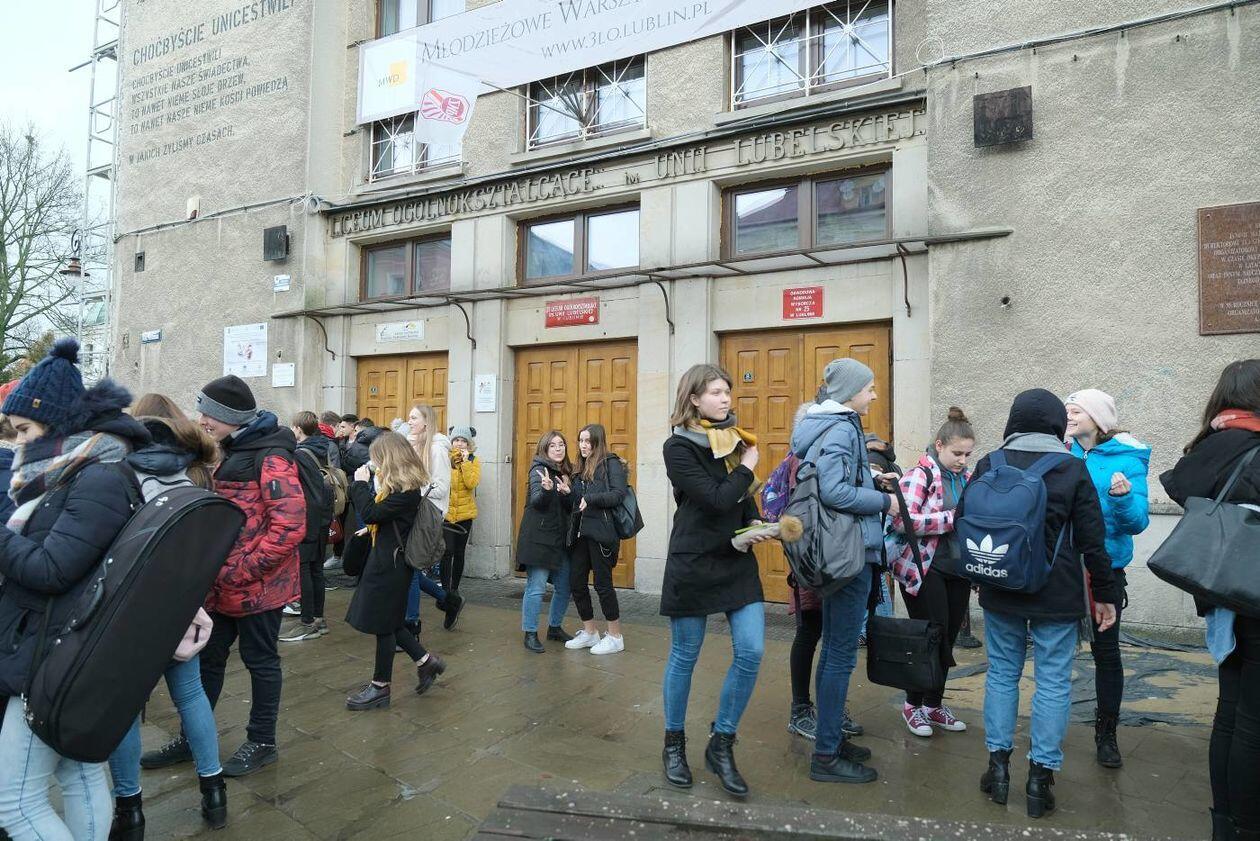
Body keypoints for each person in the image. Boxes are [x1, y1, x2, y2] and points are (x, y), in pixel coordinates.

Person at [0, 339, 151, 840]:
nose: (19, 442)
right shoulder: (72, 470)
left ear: (57, 423)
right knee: (78, 773)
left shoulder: (97, 475)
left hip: (53, 654)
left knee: (15, 804)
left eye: (25, 429)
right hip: (59, 645)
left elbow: (52, 569)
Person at [143, 375, 307, 778]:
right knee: (208, 661)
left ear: (233, 417)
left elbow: (290, 525)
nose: (202, 420)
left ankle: (262, 741)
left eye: (210, 414)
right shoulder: (229, 450)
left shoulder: (271, 455)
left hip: (258, 588)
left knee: (261, 662)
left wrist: (240, 569)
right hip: (222, 587)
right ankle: (192, 738)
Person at [966, 388, 1117, 819]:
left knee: (1001, 675)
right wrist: (1105, 595)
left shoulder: (989, 463)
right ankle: (1040, 779)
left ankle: (998, 770)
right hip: (1058, 593)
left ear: (1013, 421)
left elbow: (967, 521)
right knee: (1052, 682)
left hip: (1001, 588)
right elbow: (1092, 540)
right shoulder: (1071, 468)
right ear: (1055, 423)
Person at [108, 402, 227, 838]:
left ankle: (130, 809)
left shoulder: (123, 473)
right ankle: (214, 792)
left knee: (123, 707)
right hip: (182, 601)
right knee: (192, 696)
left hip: (132, 606)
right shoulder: (195, 472)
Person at [660, 364, 771, 798]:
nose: (726, 399)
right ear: (694, 399)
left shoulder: (733, 439)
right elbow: (715, 498)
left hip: (735, 559)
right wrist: (748, 465)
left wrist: (755, 522)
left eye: (727, 392)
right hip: (693, 560)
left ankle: (721, 743)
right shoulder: (678, 447)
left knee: (752, 651)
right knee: (685, 655)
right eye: (716, 392)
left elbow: (740, 502)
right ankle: (673, 743)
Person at [1160, 359, 1260, 841]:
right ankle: (1246, 827)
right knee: (1252, 725)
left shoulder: (1211, 444)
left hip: (1224, 597)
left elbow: (1180, 485)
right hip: (1255, 600)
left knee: (1229, 713)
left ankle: (1224, 822)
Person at [789, 359, 893, 786]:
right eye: (869, 388)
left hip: (839, 552)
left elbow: (834, 481)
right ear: (850, 392)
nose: (873, 394)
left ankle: (829, 738)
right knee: (839, 654)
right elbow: (833, 491)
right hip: (851, 554)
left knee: (833, 649)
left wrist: (870, 481)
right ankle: (827, 755)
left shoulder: (826, 425)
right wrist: (884, 501)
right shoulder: (841, 428)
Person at [1065, 389, 1151, 769]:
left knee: (1107, 654)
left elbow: (1138, 522)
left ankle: (1107, 734)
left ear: (1098, 419)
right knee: (1056, 647)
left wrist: (1122, 498)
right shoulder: (1063, 453)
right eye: (1067, 411)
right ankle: (1049, 727)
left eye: (1076, 411)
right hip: (1063, 567)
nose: (1068, 417)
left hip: (1105, 569)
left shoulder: (1127, 459)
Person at [885, 407, 975, 737]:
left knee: (946, 639)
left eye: (967, 454)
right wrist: (952, 519)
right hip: (924, 569)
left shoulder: (966, 479)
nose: (962, 460)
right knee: (929, 638)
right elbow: (903, 521)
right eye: (957, 453)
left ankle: (934, 706)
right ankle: (913, 705)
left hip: (958, 569)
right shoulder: (919, 475)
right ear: (939, 445)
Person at [343, 432, 447, 710]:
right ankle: (427, 662)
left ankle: (380, 687)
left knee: (383, 624)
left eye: (377, 458)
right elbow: (386, 520)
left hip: (391, 566)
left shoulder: (406, 492)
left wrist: (359, 484)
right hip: (387, 561)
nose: (374, 464)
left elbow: (371, 513)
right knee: (390, 621)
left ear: (389, 458)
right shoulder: (400, 488)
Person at [566, 424, 627, 655]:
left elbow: (618, 495)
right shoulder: (580, 467)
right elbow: (579, 500)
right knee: (576, 582)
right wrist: (567, 491)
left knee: (603, 585)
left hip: (602, 534)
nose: (583, 445)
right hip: (581, 534)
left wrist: (591, 499)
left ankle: (615, 636)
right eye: (580, 440)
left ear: (597, 442)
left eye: (587, 441)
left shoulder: (611, 463)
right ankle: (590, 632)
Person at [404, 404, 464, 631]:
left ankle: (411, 624)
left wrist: (411, 488)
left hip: (428, 514)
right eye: (409, 418)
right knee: (409, 567)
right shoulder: (414, 445)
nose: (409, 421)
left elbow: (440, 488)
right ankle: (449, 601)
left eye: (413, 418)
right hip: (413, 511)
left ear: (426, 422)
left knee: (411, 566)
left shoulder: (437, 449)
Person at [280, 411, 337, 642]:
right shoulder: (321, 448)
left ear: (298, 428)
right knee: (316, 569)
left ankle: (308, 622)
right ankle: (318, 619)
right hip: (322, 515)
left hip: (308, 517)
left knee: (304, 567)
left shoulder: (300, 453)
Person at [516, 431, 575, 652]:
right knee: (537, 588)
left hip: (559, 540)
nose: (558, 449)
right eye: (553, 445)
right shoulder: (539, 470)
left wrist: (568, 493)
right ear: (545, 449)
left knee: (565, 586)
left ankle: (554, 628)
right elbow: (537, 502)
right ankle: (530, 632)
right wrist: (547, 490)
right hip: (539, 540)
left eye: (561, 444)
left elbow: (569, 508)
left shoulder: (566, 472)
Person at [443, 426, 480, 596]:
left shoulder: (473, 460)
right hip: (447, 514)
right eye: (456, 440)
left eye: (463, 441)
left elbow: (471, 483)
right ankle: (444, 589)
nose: (459, 443)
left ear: (468, 443)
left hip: (465, 515)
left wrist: (465, 463)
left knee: (459, 552)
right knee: (447, 551)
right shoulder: (445, 458)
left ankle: (454, 588)